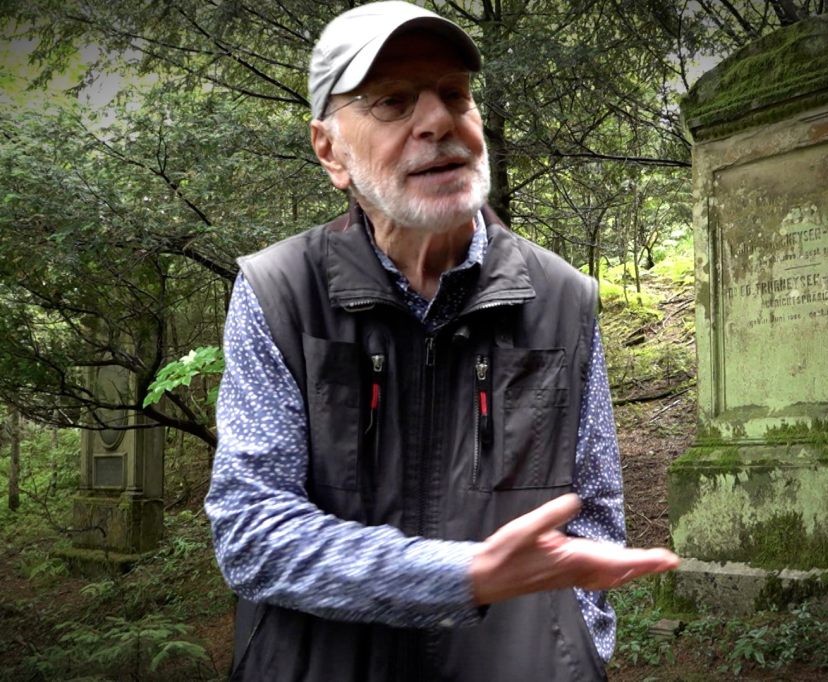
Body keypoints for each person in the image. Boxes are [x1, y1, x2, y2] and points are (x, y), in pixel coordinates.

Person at [205, 2, 680, 680]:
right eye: (393, 102)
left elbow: (595, 511)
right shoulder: (279, 292)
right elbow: (251, 533)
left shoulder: (562, 298)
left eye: (455, 95)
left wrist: (576, 650)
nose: (438, 121)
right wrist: (462, 576)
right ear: (329, 150)